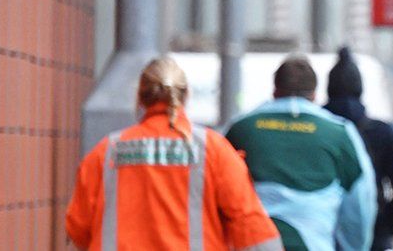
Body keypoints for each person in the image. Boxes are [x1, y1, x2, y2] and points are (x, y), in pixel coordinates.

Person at [65, 57, 282, 251]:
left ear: (140, 98)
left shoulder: (107, 152)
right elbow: (249, 223)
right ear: (185, 95)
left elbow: (79, 227)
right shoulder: (213, 150)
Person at [226, 55, 378, 251]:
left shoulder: (240, 128)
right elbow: (360, 203)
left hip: (253, 244)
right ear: (314, 95)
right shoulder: (340, 133)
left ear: (275, 90)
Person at [324, 47, 393, 251]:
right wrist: (385, 227)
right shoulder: (381, 132)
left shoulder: (318, 131)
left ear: (329, 89)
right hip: (373, 235)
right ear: (360, 90)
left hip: (325, 233)